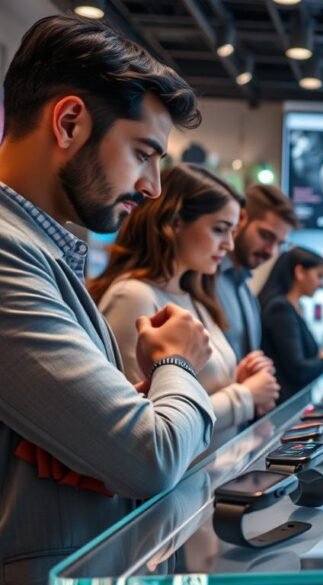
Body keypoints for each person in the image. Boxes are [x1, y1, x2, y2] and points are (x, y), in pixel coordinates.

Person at [0, 15, 214, 581]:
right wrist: (178, 363)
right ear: (69, 122)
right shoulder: (6, 252)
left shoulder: (43, 253)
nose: (153, 188)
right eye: (144, 153)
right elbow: (151, 456)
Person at [91, 164, 280, 446]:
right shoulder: (134, 296)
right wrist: (245, 396)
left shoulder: (193, 295)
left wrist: (235, 379)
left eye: (232, 232)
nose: (229, 245)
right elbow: (144, 428)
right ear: (175, 222)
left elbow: (192, 389)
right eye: (220, 230)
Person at [217, 184, 297, 361]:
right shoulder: (203, 281)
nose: (271, 251)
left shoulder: (246, 292)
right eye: (266, 236)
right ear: (241, 219)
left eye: (279, 244)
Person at [259, 247, 323, 401]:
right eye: (319, 276)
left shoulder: (294, 307)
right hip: (285, 405)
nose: (321, 284)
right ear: (300, 271)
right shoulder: (280, 308)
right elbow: (298, 369)